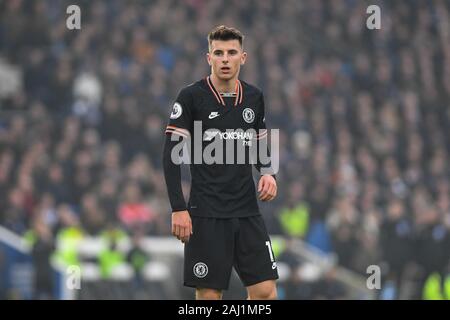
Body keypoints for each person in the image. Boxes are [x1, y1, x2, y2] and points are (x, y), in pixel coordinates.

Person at [162, 25, 279, 300]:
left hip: (246, 210)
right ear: (209, 58)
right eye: (219, 53)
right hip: (206, 213)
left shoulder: (254, 97)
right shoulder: (191, 97)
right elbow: (170, 156)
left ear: (243, 57)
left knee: (265, 292)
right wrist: (178, 208)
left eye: (231, 53)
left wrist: (268, 173)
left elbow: (261, 143)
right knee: (210, 295)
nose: (225, 59)